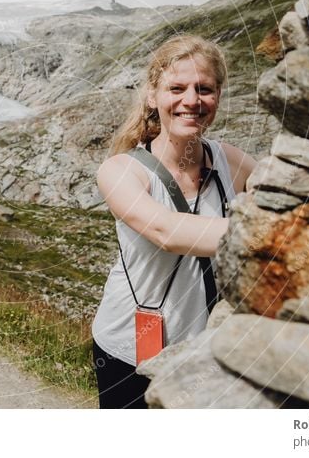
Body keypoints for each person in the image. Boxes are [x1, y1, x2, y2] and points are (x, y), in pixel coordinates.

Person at [91, 34, 257, 409]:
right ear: (153, 96)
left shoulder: (233, 161)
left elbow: (284, 196)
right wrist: (277, 232)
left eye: (205, 89)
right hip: (128, 351)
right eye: (177, 88)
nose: (192, 101)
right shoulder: (121, 170)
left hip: (204, 351)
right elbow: (167, 231)